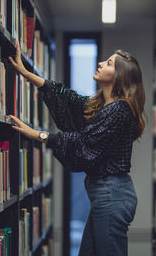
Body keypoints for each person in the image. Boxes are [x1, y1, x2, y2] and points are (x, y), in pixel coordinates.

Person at [8, 40, 146, 256]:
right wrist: (26, 73)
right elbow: (68, 98)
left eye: (109, 63)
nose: (101, 63)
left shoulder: (120, 110)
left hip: (112, 194)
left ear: (119, 76)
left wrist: (38, 135)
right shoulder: (103, 106)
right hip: (106, 194)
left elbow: (84, 143)